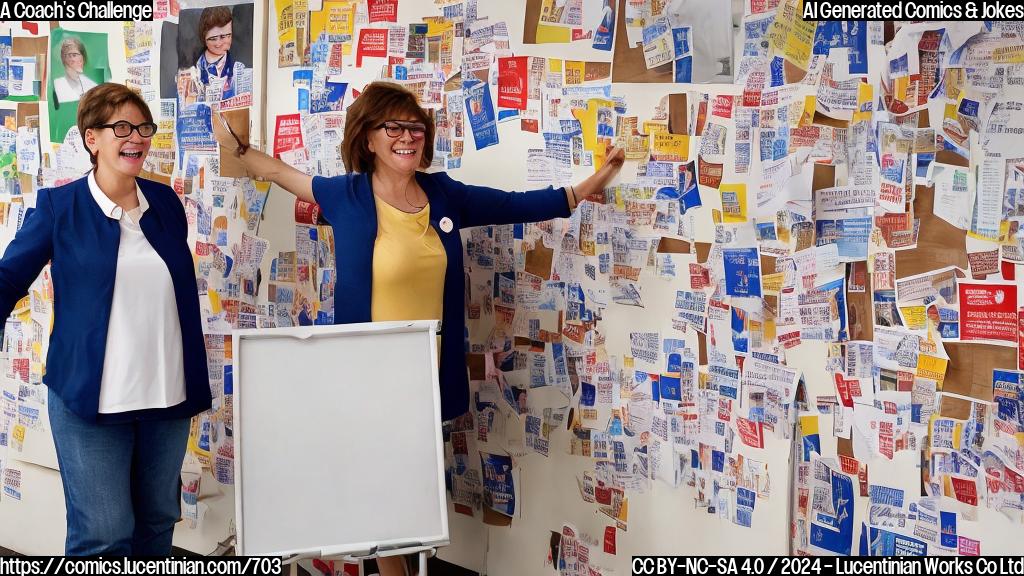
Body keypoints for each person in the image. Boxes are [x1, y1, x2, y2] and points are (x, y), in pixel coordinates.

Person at [214, 81, 624, 576]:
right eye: (394, 126)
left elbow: (513, 204)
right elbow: (278, 172)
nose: (408, 136)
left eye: (415, 127)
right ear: (367, 138)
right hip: (367, 382)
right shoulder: (346, 195)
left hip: (426, 380)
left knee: (407, 499)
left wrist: (586, 187)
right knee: (388, 502)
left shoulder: (441, 194)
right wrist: (237, 146)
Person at [0, 83, 212, 554]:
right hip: (90, 403)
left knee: (157, 525)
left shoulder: (165, 204)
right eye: (121, 127)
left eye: (142, 127)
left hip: (166, 397)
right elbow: (8, 278)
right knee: (104, 536)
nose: (135, 137)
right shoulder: (61, 208)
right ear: (91, 138)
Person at [196, 6, 237, 99]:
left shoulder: (235, 64)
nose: (219, 43)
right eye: (213, 39)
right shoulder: (197, 65)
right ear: (204, 38)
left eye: (225, 37)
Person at [52, 37, 99, 105]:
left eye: (74, 55)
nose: (71, 59)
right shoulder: (56, 85)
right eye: (67, 55)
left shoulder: (93, 87)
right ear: (63, 60)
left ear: (83, 58)